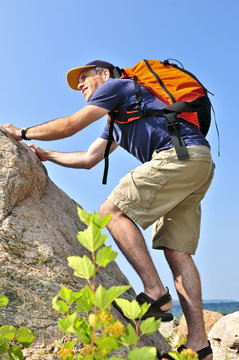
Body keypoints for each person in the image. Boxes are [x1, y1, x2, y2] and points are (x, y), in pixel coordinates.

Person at [0, 60, 214, 359]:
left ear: (105, 75)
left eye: (85, 77)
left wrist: (22, 133)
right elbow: (89, 158)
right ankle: (199, 346)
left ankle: (155, 293)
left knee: (111, 211)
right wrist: (48, 155)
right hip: (197, 161)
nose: (81, 86)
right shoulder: (118, 117)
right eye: (78, 85)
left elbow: (70, 125)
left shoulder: (118, 87)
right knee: (177, 251)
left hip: (178, 156)